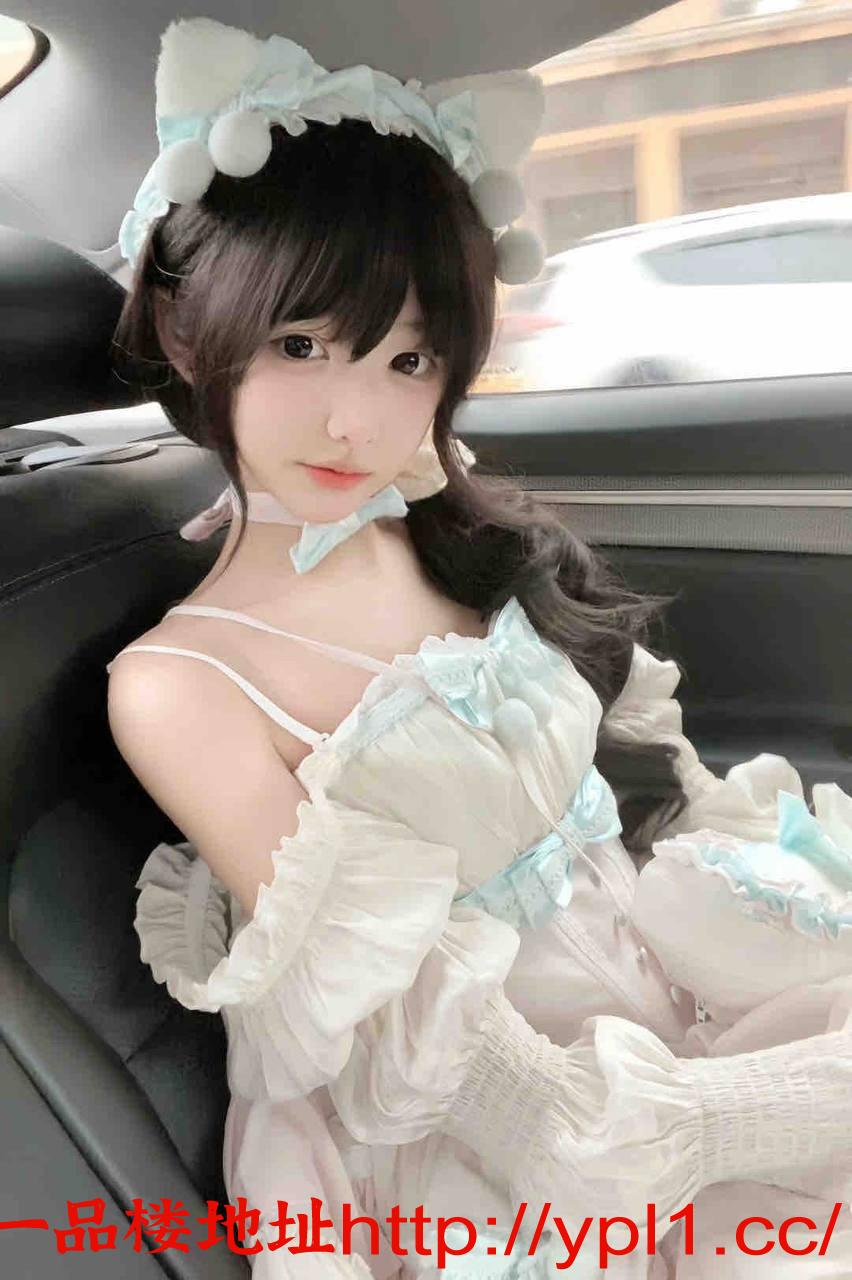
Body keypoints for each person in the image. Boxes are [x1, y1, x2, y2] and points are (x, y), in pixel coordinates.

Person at [105, 17, 852, 1280]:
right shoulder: (180, 685)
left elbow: (639, 788)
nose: (357, 416)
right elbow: (489, 1078)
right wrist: (733, 1113)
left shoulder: (440, 527)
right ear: (190, 333)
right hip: (492, 1126)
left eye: (409, 357)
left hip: (662, 996)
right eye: (300, 343)